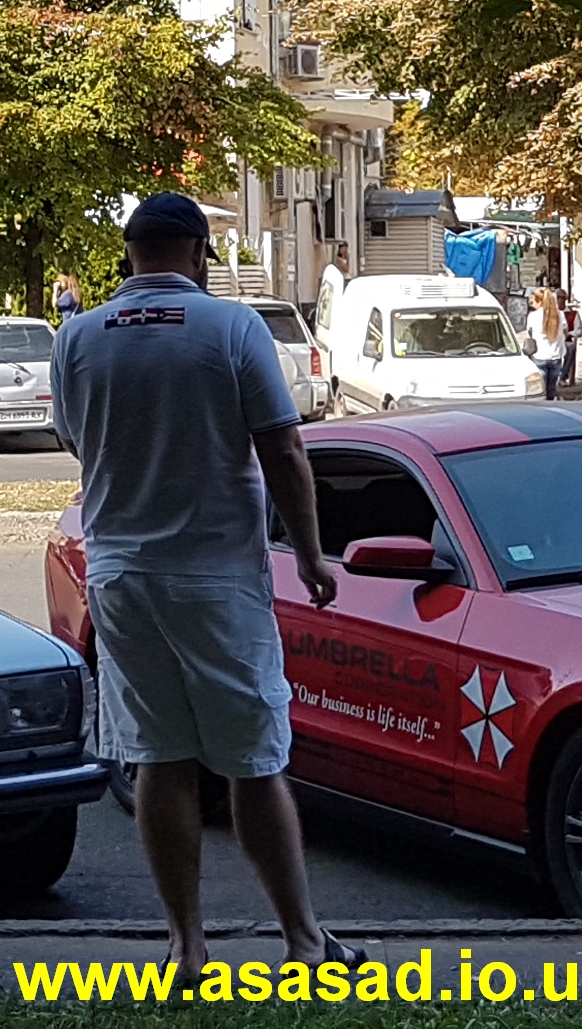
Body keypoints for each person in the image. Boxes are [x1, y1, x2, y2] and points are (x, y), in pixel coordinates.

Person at [50, 193, 364, 980]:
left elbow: (78, 441)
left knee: (160, 757)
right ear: (197, 254)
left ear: (130, 254)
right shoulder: (232, 327)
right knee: (253, 760)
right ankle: (304, 942)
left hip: (120, 576)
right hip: (215, 576)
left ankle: (186, 948)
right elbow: (284, 450)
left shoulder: (77, 338)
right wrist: (312, 557)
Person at [526, 286, 565, 399]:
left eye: (534, 301)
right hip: (556, 356)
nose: (532, 304)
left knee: (540, 391)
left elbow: (530, 334)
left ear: (540, 301)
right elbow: (565, 331)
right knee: (551, 390)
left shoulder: (533, 316)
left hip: (539, 356)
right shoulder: (560, 315)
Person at [557, 290, 582, 385]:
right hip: (551, 341)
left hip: (565, 340)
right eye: (558, 298)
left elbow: (580, 330)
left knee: (570, 347)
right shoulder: (549, 313)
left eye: (562, 298)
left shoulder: (572, 314)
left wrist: (570, 334)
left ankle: (562, 376)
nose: (559, 300)